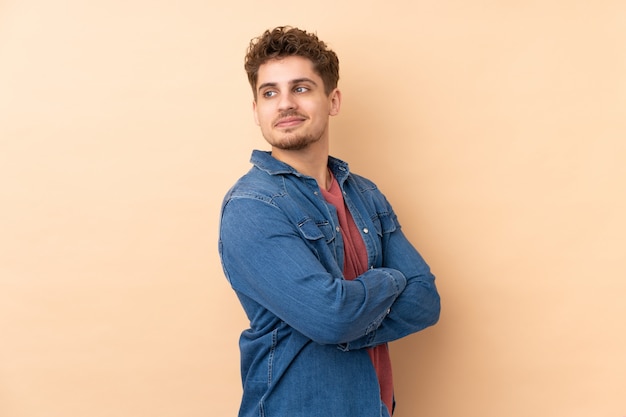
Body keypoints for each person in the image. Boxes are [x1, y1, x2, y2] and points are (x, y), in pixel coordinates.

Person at [218, 26, 440, 417]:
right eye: (270, 93)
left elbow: (425, 301)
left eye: (301, 88)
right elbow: (331, 317)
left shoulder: (364, 194)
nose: (285, 104)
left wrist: (344, 319)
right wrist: (391, 280)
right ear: (256, 110)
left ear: (332, 100)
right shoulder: (252, 206)